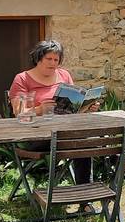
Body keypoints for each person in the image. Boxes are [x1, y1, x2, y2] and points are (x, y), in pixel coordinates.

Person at [9, 40, 100, 184]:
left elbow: (73, 110)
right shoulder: (22, 79)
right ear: (38, 58)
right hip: (36, 135)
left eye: (56, 60)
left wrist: (86, 108)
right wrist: (40, 110)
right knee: (83, 141)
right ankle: (115, 161)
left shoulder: (64, 75)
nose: (53, 63)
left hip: (65, 131)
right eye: (49, 59)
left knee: (84, 139)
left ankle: (85, 192)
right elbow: (18, 113)